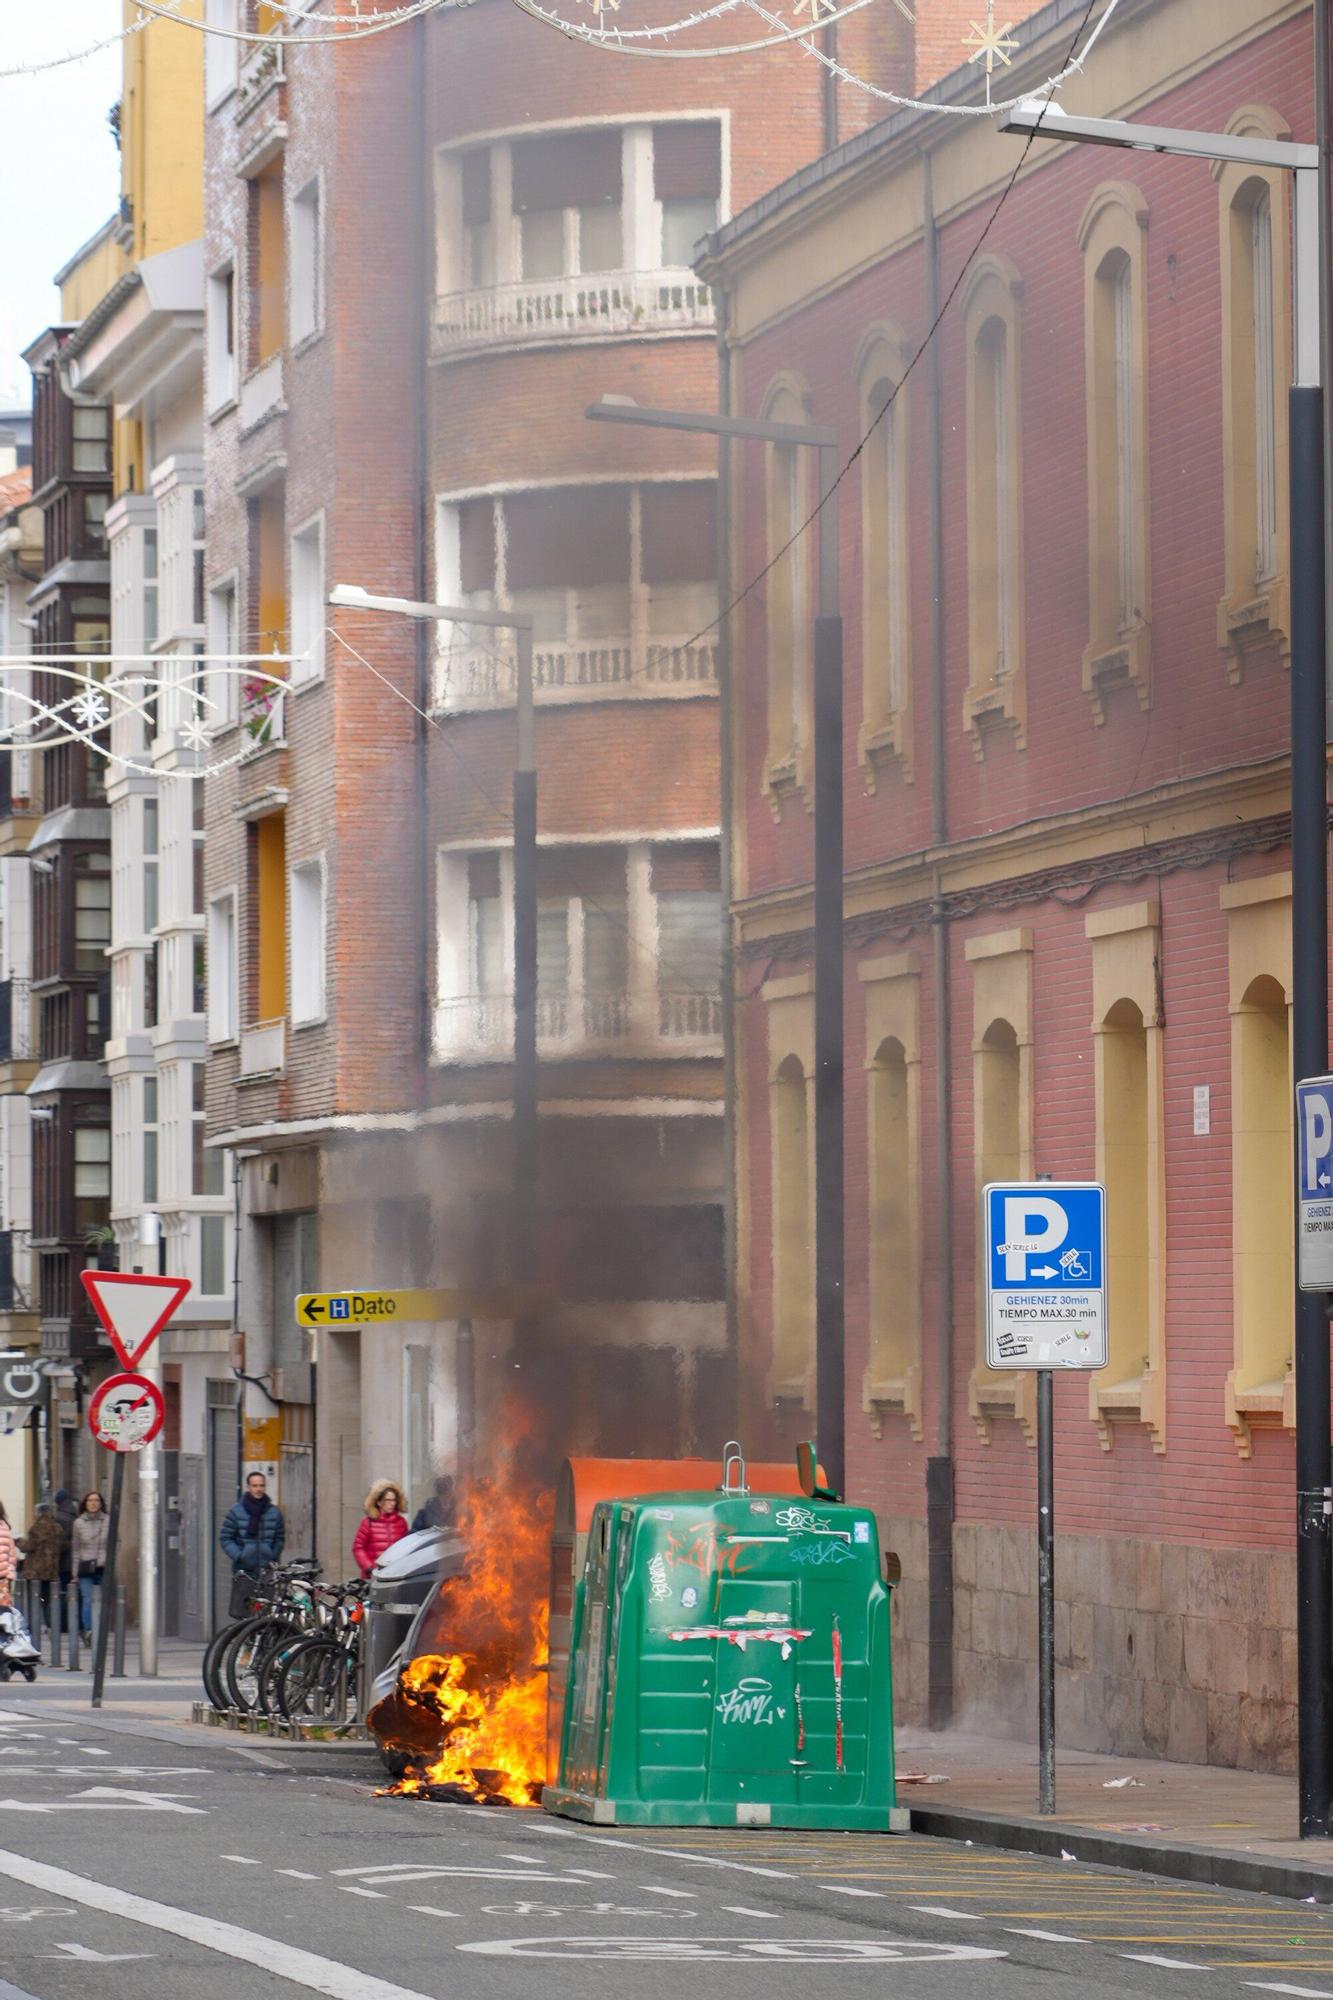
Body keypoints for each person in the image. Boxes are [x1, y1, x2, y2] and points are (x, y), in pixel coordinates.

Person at [219, 1471, 285, 1578]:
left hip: (267, 1570)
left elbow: (279, 1539)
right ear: (248, 1487)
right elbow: (226, 1538)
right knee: (244, 1595)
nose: (258, 1489)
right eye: (254, 1486)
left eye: (261, 1485)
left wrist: (272, 1555)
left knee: (267, 1595)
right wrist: (239, 1555)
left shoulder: (274, 1512)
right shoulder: (236, 1511)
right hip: (243, 1570)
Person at [17, 1499, 66, 1623]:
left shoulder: (36, 1527)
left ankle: (33, 1626)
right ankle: (51, 1625)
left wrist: (18, 1541)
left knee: (33, 1601)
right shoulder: (58, 1527)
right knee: (49, 1601)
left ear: (38, 1513)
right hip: (51, 1572)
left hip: (34, 1572)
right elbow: (64, 1546)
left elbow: (28, 1546)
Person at [70, 1492, 109, 1646]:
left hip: (103, 1566)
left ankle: (99, 1631)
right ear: (85, 1503)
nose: (93, 1503)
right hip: (85, 1566)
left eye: (96, 1500)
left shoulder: (108, 1520)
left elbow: (116, 1542)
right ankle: (89, 1630)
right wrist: (74, 1573)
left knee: (101, 1600)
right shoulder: (79, 1523)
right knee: (87, 1599)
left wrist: (109, 1560)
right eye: (90, 1500)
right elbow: (76, 1549)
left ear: (101, 1503)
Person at [352, 1480, 409, 1578]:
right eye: (388, 1500)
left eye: (394, 1500)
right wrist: (369, 1567)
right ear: (379, 1502)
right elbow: (358, 1547)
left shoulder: (401, 1522)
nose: (392, 1503)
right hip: (374, 1577)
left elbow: (406, 1547)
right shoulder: (368, 1522)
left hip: (395, 1575)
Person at [52, 1489, 76, 1591]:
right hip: (74, 1560)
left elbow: (58, 1541)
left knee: (62, 1591)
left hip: (63, 1560)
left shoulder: (58, 1517)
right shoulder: (75, 1515)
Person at [0, 1501, 15, 1597]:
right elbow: (12, 1554)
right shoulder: (5, 1527)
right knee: (3, 1608)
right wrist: (10, 1573)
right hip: (4, 1577)